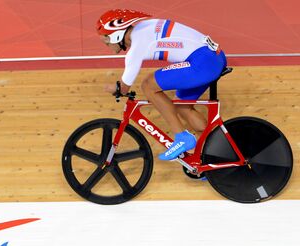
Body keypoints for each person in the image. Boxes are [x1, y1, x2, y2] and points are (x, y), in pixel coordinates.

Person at [97, 9, 227, 160]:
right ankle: (212, 158)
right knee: (182, 105)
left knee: (148, 85)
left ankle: (181, 137)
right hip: (213, 57)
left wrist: (115, 88)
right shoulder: (142, 28)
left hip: (202, 62)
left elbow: (125, 87)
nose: (106, 43)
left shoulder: (137, 46)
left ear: (116, 34)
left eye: (106, 39)